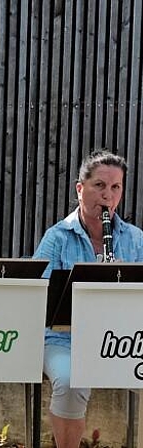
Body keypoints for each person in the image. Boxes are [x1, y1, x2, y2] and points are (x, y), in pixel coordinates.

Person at [33, 149, 143, 448]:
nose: (107, 195)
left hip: (122, 340)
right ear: (80, 189)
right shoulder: (57, 238)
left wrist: (122, 278)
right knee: (70, 381)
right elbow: (37, 293)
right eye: (99, 186)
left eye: (115, 187)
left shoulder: (136, 239)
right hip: (63, 340)